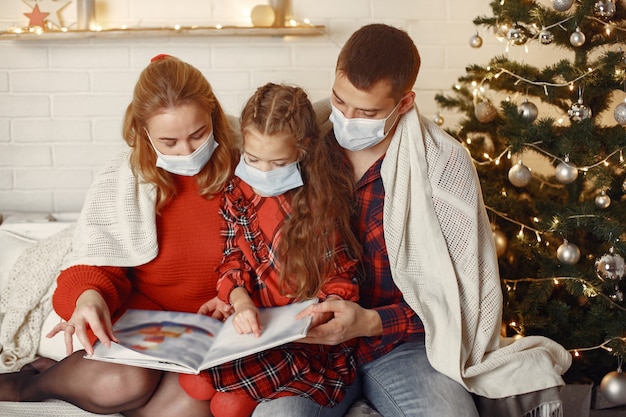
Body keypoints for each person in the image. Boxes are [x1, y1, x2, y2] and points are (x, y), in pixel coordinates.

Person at [251, 24, 572, 417]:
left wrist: (371, 322)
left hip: (398, 344)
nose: (347, 118)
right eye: (340, 101)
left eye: (367, 112)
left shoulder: (443, 164)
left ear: (404, 103)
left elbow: (459, 300)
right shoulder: (305, 142)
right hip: (313, 346)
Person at [0, 54, 241, 417]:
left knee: (186, 410)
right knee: (120, 384)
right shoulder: (123, 177)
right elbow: (95, 261)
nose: (188, 152)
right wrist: (88, 297)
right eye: (169, 141)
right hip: (147, 322)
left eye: (198, 134)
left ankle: (73, 378)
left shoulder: (251, 164)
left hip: (217, 329)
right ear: (144, 132)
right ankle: (29, 385)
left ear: (214, 116)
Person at [178, 82, 363, 417]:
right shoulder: (238, 189)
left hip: (307, 344)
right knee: (194, 383)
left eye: (278, 163)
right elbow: (232, 257)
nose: (262, 172)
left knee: (227, 406)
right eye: (253, 159)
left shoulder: (321, 201)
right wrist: (240, 300)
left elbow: (341, 279)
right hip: (255, 329)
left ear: (303, 151)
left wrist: (324, 311)